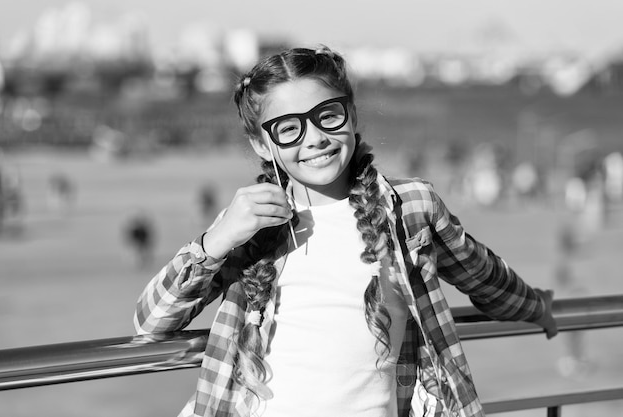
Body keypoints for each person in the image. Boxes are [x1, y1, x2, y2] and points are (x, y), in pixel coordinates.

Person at [134, 46, 557, 417]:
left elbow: (482, 275)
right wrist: (217, 241)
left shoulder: (410, 207)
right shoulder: (248, 219)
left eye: (327, 116)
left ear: (352, 116)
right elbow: (150, 323)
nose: (314, 138)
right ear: (263, 145)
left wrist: (537, 306)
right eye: (288, 128)